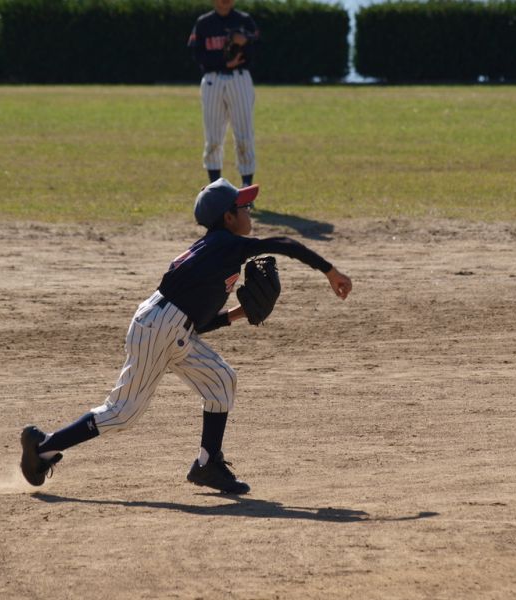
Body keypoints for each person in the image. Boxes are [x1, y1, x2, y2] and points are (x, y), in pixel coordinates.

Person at [20, 179, 353, 494]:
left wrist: (238, 314)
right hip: (161, 329)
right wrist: (330, 271)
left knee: (221, 381)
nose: (249, 212)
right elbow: (284, 244)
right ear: (228, 217)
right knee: (122, 413)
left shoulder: (213, 249)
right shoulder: (226, 245)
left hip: (167, 327)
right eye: (244, 207)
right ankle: (43, 447)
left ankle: (208, 465)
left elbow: (193, 323)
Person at [188, 0, 259, 187]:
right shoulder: (204, 23)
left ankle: (246, 186)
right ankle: (215, 186)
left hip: (239, 78)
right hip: (213, 79)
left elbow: (258, 47)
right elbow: (197, 53)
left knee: (244, 134)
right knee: (213, 136)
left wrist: (245, 41)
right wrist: (223, 62)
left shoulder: (244, 20)